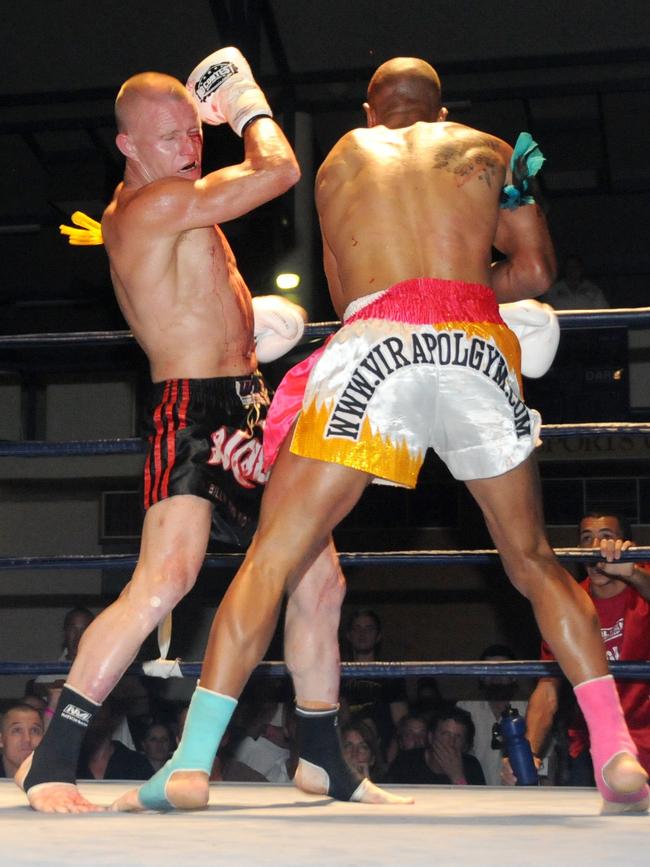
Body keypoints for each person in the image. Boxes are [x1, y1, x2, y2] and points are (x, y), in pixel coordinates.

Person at [116, 56, 647, 815]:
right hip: (475, 346)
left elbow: (350, 291)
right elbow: (534, 268)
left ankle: (193, 761)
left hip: (380, 342)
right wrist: (465, 286)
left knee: (271, 557)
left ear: (371, 113)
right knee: (532, 560)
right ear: (440, 113)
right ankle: (616, 753)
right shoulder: (493, 152)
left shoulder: (341, 160)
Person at [16, 47, 401, 813]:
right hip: (192, 410)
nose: (189, 148)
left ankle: (324, 758)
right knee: (164, 580)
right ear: (127, 145)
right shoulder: (156, 205)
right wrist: (247, 103)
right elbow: (278, 170)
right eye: (168, 138)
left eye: (194, 131)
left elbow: (205, 298)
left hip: (251, 403)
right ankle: (52, 756)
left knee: (322, 578)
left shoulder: (175, 198)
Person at [502, 513, 650, 786]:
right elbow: (548, 689)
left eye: (607, 537)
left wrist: (632, 572)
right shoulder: (568, 604)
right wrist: (529, 753)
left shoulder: (643, 583)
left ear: (625, 544)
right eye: (587, 539)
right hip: (593, 745)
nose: (596, 546)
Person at [457, 644, 529, 786]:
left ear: (514, 676)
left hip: (519, 795)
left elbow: (546, 760)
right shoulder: (466, 707)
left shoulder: (529, 708)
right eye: (489, 669)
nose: (496, 676)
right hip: (475, 793)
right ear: (481, 676)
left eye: (502, 669)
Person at [386, 706, 485, 785]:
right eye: (445, 734)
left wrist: (457, 777)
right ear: (431, 737)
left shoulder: (472, 766)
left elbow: (476, 807)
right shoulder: (406, 762)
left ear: (465, 744)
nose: (451, 742)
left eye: (458, 737)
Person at [543, 254, 609, 310]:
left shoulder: (594, 291)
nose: (572, 270)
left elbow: (603, 312)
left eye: (575, 267)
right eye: (569, 267)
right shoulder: (553, 291)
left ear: (581, 269)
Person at [0, 704, 43, 779]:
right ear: (1, 740)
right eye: (17, 730)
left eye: (34, 730)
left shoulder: (57, 779)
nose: (27, 739)